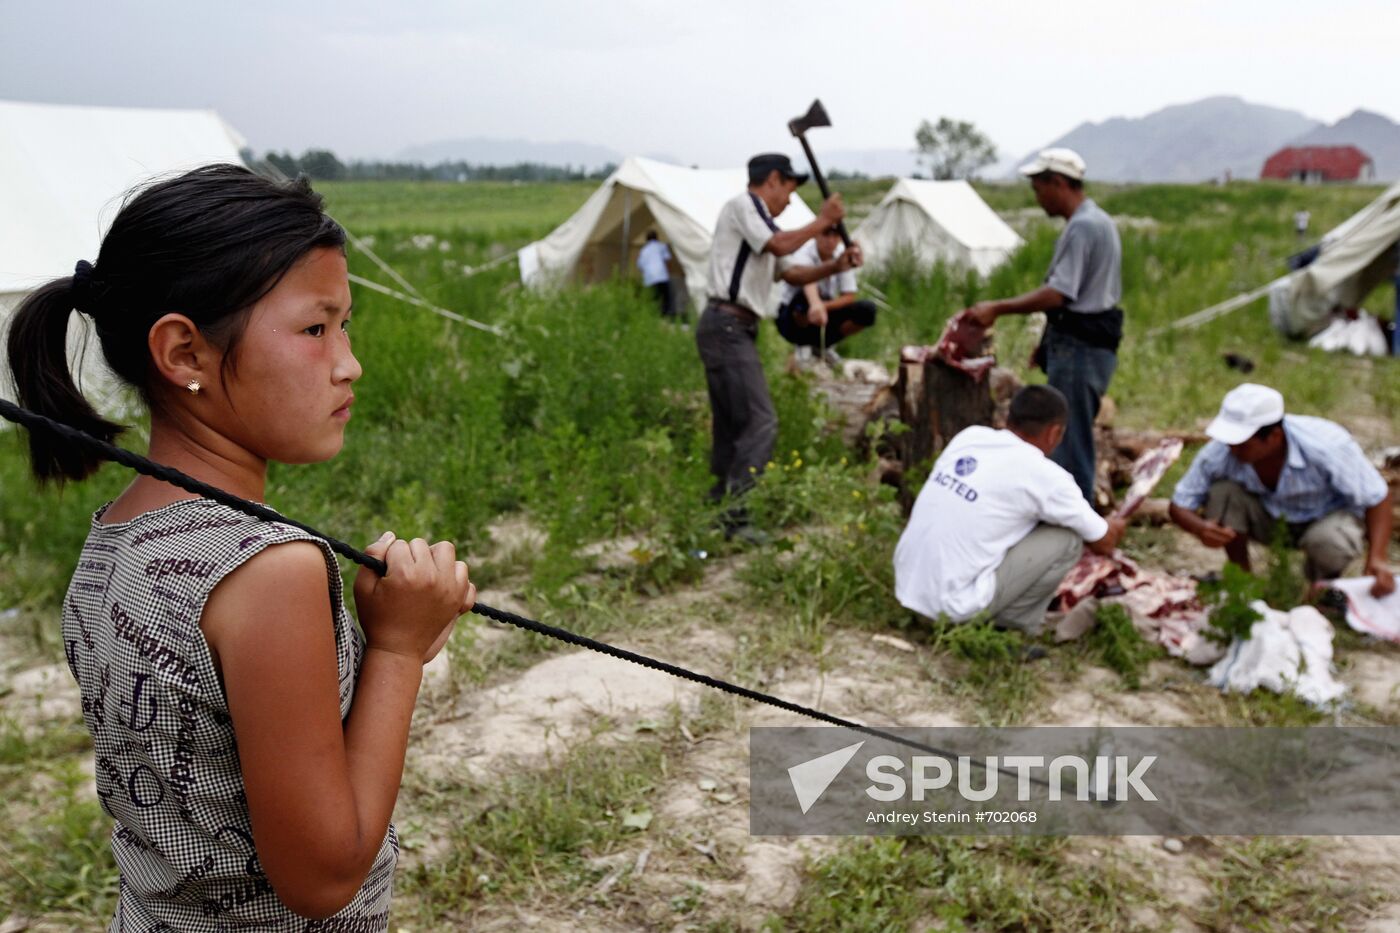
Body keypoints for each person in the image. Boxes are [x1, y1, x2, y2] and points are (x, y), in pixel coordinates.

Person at [5, 165, 474, 927]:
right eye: (316, 328)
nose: (348, 361)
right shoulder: (269, 572)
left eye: (344, 324)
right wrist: (397, 648)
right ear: (184, 353)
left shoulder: (113, 537)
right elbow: (322, 878)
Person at [695, 152, 860, 526]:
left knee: (733, 423)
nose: (788, 198)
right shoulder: (743, 207)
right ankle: (736, 516)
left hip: (732, 327)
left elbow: (794, 272)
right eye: (787, 188)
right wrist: (824, 222)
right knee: (760, 420)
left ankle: (718, 506)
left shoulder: (764, 224)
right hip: (727, 325)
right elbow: (782, 247)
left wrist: (836, 266)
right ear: (772, 180)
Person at [894, 385, 1127, 634]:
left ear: (1008, 419)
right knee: (1067, 538)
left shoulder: (971, 437)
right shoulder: (1046, 476)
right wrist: (1118, 522)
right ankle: (1011, 628)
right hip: (949, 610)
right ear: (1055, 433)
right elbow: (1103, 542)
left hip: (907, 590)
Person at [958, 148, 1122, 502]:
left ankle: (1075, 532)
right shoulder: (1099, 221)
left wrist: (997, 308)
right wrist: (1048, 343)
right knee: (1072, 437)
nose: (1037, 198)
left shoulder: (1083, 227)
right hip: (1084, 344)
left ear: (1059, 183)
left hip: (1081, 348)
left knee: (1067, 443)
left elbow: (1061, 293)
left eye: (1039, 189)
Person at [1168, 383, 1394, 597]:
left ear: (1274, 436)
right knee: (1223, 493)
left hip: (1324, 519)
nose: (1232, 449)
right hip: (1269, 518)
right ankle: (1242, 578)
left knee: (1330, 541)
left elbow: (1377, 497)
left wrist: (1377, 558)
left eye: (1242, 443)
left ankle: (1321, 589)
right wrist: (1200, 528)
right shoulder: (1221, 452)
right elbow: (1179, 504)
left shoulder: (1327, 446)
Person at [775, 225, 879, 367]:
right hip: (793, 314)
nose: (830, 241)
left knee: (866, 310)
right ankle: (802, 345)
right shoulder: (804, 254)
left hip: (823, 309)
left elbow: (849, 295)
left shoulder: (841, 255)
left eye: (835, 236)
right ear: (816, 235)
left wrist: (823, 306)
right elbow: (808, 283)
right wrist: (816, 304)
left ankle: (824, 346)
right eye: (826, 235)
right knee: (804, 301)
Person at [636, 230, 674, 317]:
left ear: (646, 239)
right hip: (661, 276)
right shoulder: (661, 246)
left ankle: (653, 315)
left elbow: (640, 265)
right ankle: (665, 316)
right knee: (665, 297)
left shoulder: (643, 250)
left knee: (653, 298)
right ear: (657, 238)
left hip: (649, 278)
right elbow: (667, 260)